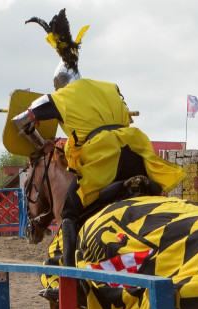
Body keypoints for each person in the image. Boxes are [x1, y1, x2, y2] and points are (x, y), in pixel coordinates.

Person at [14, 9, 185, 267]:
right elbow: (125, 119)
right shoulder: (110, 88)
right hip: (137, 153)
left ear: (59, 84)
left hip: (103, 162)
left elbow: (20, 121)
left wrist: (40, 141)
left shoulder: (58, 98)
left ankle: (72, 275)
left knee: (69, 211)